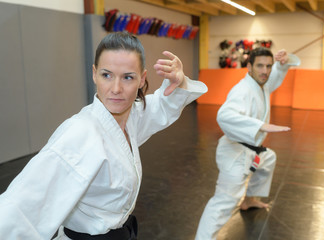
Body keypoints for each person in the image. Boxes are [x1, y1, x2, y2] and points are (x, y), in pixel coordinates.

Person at [0, 31, 207, 239]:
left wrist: (177, 83)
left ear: (142, 79)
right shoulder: (80, 134)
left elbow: (160, 107)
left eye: (128, 77)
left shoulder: (129, 117)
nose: (116, 89)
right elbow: (20, 208)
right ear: (94, 73)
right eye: (106, 75)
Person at [195, 47, 300, 240]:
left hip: (252, 150)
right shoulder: (242, 90)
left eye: (269, 66)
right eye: (260, 66)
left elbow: (275, 76)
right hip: (234, 154)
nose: (265, 71)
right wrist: (261, 125)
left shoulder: (262, 84)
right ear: (249, 66)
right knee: (224, 202)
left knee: (268, 159)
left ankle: (250, 200)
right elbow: (224, 116)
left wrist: (283, 63)